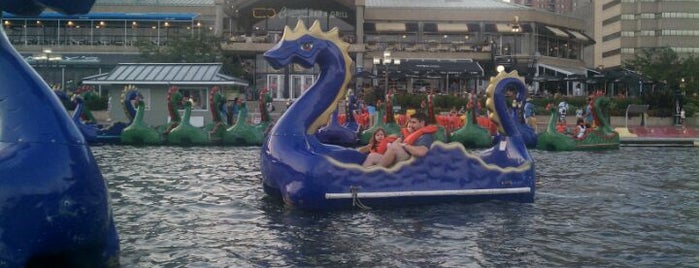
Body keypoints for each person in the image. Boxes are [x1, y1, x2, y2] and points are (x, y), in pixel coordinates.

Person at [365, 113, 437, 168]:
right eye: (411, 122)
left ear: (422, 123)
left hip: (411, 163)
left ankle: (377, 170)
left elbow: (422, 152)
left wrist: (405, 146)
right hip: (400, 158)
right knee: (372, 156)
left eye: (414, 122)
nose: (411, 125)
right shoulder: (411, 133)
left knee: (395, 147)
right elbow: (397, 142)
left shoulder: (426, 136)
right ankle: (361, 175)